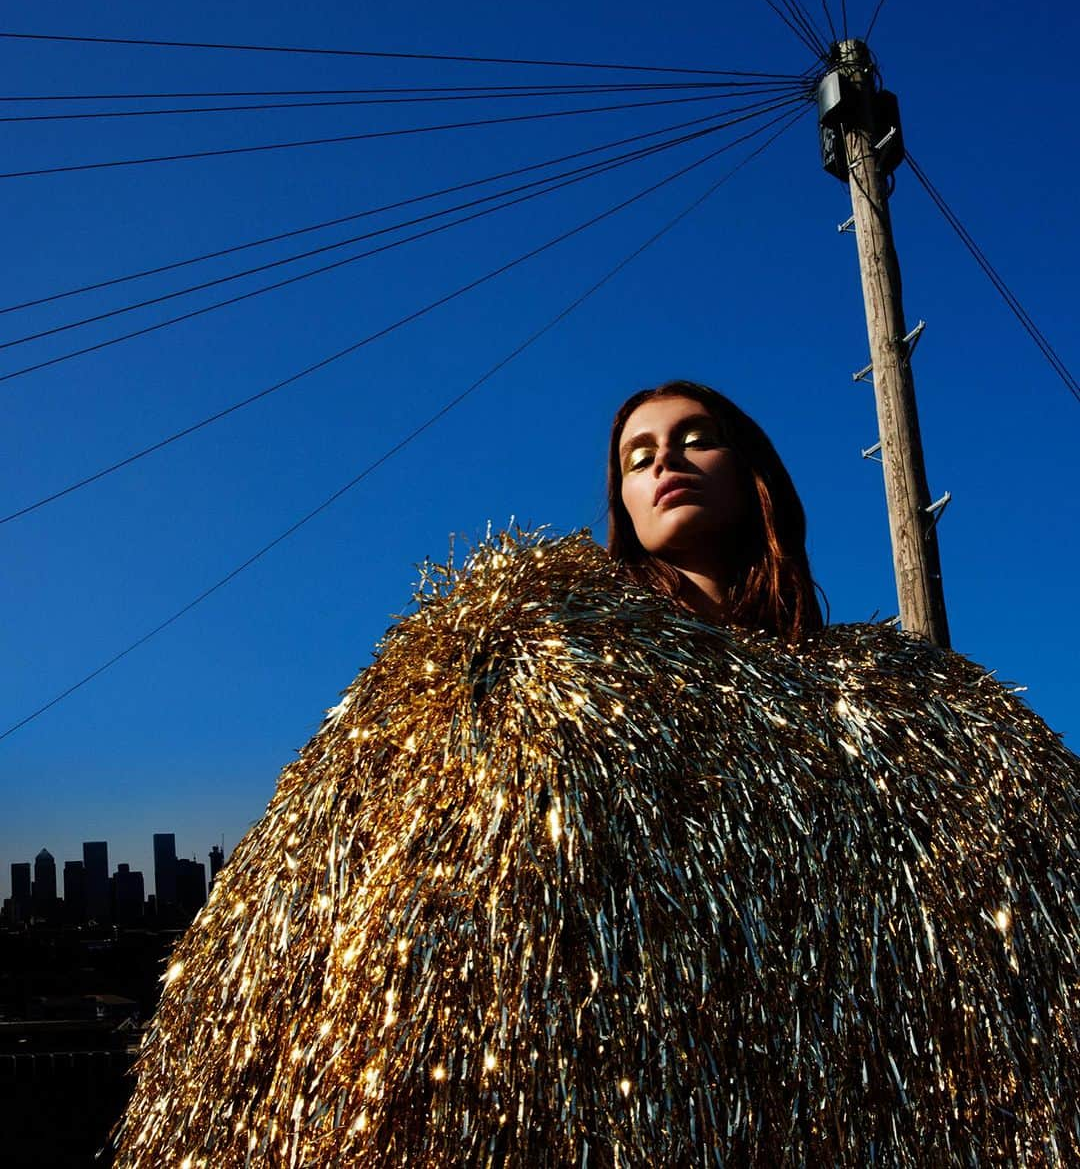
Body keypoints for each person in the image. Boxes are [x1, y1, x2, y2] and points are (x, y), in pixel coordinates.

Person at [114, 381, 1080, 1168]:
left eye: (695, 438)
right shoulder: (535, 654)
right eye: (637, 454)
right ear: (619, 499)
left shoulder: (895, 701)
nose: (664, 459)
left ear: (754, 478)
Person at [606, 380, 822, 638]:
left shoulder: (838, 671)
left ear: (752, 472)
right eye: (641, 460)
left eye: (696, 440)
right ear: (623, 508)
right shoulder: (573, 655)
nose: (664, 458)